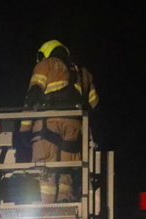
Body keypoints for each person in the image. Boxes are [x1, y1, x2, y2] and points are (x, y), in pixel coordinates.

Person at [19, 40, 99, 204]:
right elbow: (94, 103)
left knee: (45, 168)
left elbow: (32, 97)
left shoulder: (46, 65)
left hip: (50, 123)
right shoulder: (84, 73)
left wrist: (24, 128)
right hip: (76, 127)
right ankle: (64, 201)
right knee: (66, 169)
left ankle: (47, 207)